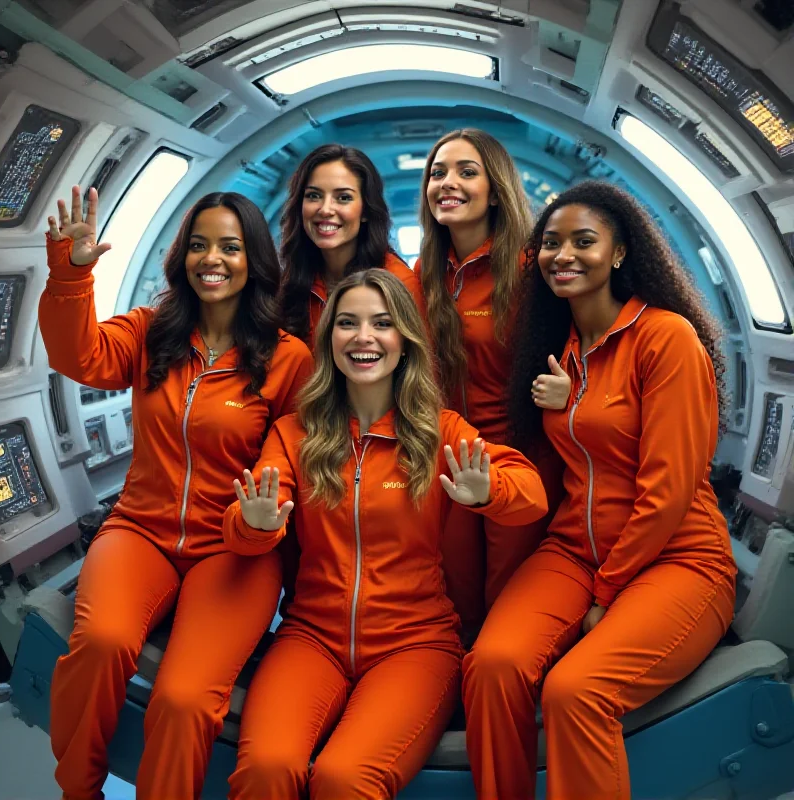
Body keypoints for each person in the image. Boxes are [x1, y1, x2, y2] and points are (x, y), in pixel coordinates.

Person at [222, 269, 548, 799]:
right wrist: (254, 526)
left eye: (382, 323)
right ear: (329, 340)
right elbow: (243, 527)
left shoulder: (441, 430)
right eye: (347, 323)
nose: (364, 337)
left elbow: (531, 495)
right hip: (311, 640)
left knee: (343, 780)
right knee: (266, 769)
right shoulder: (294, 433)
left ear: (406, 342)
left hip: (416, 645)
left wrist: (488, 492)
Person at [463, 180, 737, 800]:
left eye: (584, 241)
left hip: (677, 559)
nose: (566, 255)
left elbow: (667, 491)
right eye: (552, 243)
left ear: (618, 253)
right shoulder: (558, 350)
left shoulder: (666, 338)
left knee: (576, 690)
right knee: (491, 666)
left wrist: (607, 591)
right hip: (574, 553)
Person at [41, 186, 312, 800]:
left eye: (230, 247)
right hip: (140, 531)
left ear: (255, 261)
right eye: (198, 245)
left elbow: (287, 464)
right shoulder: (149, 332)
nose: (211, 259)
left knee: (187, 699)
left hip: (235, 550)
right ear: (182, 258)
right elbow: (76, 354)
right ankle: (77, 789)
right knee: (102, 644)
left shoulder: (287, 358)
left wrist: (260, 525)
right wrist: (72, 273)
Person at [416, 128, 569, 641]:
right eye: (438, 173)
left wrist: (572, 393)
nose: (448, 183)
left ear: (496, 187)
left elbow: (583, 343)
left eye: (466, 171)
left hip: (521, 458)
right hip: (455, 458)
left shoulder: (531, 268)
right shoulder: (427, 272)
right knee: (457, 594)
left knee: (507, 601)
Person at [278, 143, 426, 350]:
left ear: (366, 211)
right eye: (313, 195)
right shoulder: (293, 280)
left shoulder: (399, 283)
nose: (326, 209)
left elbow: (421, 371)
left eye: (343, 198)